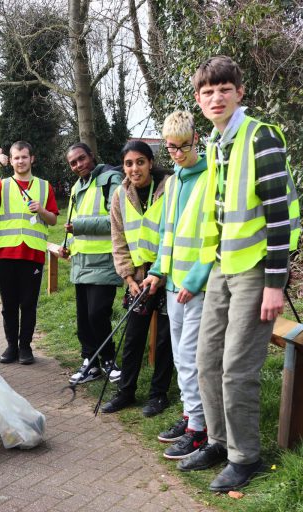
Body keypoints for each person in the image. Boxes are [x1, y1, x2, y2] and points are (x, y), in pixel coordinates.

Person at [174, 56, 300, 492]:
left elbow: (280, 216)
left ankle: (245, 456)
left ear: (239, 93)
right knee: (206, 361)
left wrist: (274, 283)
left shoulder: (259, 135)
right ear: (198, 98)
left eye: (224, 89)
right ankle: (217, 440)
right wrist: (199, 274)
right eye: (207, 92)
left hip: (256, 272)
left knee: (237, 368)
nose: (216, 97)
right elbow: (217, 216)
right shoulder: (215, 143)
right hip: (222, 270)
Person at [141, 111, 212, 459]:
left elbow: (216, 236)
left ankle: (200, 430)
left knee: (193, 357)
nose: (178, 154)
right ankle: (190, 418)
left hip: (198, 287)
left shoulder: (210, 177)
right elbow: (168, 235)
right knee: (182, 357)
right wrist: (157, 270)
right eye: (171, 148)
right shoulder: (174, 182)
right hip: (173, 286)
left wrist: (196, 280)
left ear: (195, 139)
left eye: (183, 147)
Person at [100, 141, 173, 417]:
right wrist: (128, 277)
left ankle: (158, 395)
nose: (134, 169)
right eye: (129, 164)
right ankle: (126, 392)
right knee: (132, 337)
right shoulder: (120, 195)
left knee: (165, 339)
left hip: (167, 274)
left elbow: (173, 231)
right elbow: (118, 239)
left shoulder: (169, 187)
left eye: (140, 162)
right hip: (137, 278)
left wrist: (161, 272)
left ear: (150, 163)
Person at [0, 141, 58, 364]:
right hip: (5, 255)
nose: (20, 161)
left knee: (28, 305)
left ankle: (25, 347)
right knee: (9, 305)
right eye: (16, 158)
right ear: (11, 161)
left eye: (24, 157)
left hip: (33, 255)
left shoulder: (45, 187)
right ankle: (11, 347)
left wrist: (42, 210)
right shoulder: (3, 184)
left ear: (31, 158)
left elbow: (53, 219)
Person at [58, 143, 123, 384]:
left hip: (104, 260)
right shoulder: (76, 187)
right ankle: (90, 363)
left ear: (91, 155)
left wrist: (80, 227)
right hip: (81, 261)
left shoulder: (110, 179)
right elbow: (72, 223)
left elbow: (116, 219)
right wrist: (67, 244)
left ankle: (108, 359)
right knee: (84, 318)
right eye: (73, 163)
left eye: (81, 159)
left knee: (98, 314)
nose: (78, 165)